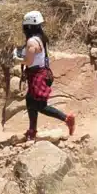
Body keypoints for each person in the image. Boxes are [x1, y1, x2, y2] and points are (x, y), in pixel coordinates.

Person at [20, 11, 75, 141]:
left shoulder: (31, 42)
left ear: (28, 27)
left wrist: (17, 59)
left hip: (37, 76)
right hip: (42, 73)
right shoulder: (41, 37)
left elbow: (28, 61)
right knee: (30, 101)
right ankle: (32, 130)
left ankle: (67, 119)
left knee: (40, 106)